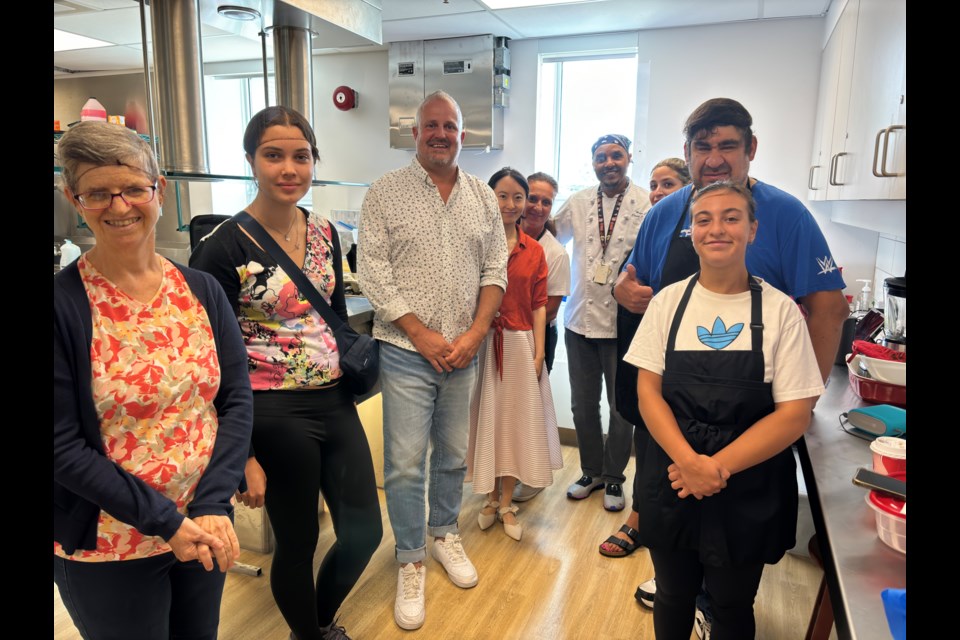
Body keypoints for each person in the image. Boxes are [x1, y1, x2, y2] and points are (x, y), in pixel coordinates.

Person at [614, 98, 849, 625]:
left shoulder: (784, 217)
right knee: (676, 580)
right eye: (703, 146)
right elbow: (634, 285)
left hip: (749, 438)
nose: (714, 157)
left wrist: (799, 400)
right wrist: (624, 290)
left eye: (727, 145)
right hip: (672, 441)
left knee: (730, 593)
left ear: (751, 151)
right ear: (687, 153)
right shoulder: (661, 214)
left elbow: (829, 309)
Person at [54, 122, 253, 639]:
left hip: (206, 526)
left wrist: (211, 504)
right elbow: (62, 448)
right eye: (98, 193)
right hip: (111, 543)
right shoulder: (62, 306)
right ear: (75, 200)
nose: (119, 207)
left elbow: (234, 401)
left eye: (133, 189)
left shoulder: (202, 290)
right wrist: (167, 522)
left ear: (159, 190)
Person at [190, 106, 382, 640]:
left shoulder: (322, 231)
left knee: (364, 531)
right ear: (252, 161)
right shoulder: (223, 247)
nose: (288, 168)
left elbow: (336, 317)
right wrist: (242, 456)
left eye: (301, 156)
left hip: (333, 400)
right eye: (273, 155)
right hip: (273, 413)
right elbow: (214, 362)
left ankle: (317, 620)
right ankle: (310, 633)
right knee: (297, 542)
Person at [625, 180, 823, 639]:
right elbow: (648, 394)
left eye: (731, 217)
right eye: (704, 219)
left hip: (746, 480)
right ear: (691, 232)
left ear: (753, 229)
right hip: (672, 473)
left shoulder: (780, 312)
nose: (717, 229)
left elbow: (794, 414)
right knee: (672, 594)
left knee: (732, 602)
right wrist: (689, 462)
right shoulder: (668, 304)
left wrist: (714, 468)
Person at [357, 91, 509, 630]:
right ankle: (410, 559)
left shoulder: (481, 197)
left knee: (449, 455)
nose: (441, 133)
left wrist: (474, 333)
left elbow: (496, 270)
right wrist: (421, 335)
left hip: (463, 352)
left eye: (450, 125)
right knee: (403, 463)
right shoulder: (384, 193)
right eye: (430, 126)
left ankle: (444, 534)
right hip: (405, 352)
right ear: (414, 133)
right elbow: (373, 273)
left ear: (462, 134)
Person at [599, 158, 692, 558]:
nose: (656, 192)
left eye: (667, 184)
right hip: (651, 352)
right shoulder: (655, 227)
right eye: (653, 185)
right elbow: (628, 277)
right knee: (650, 437)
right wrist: (623, 288)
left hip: (698, 356)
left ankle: (677, 534)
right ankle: (639, 517)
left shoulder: (704, 229)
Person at [554, 134, 651, 511]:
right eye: (600, 157)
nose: (608, 162)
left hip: (622, 324)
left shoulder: (646, 202)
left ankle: (614, 478)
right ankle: (590, 471)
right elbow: (549, 237)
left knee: (620, 407)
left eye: (616, 156)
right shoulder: (578, 202)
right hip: (579, 319)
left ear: (628, 158)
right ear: (592, 163)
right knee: (582, 404)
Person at [466, 168, 563, 541]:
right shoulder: (475, 244)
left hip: (520, 344)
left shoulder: (535, 250)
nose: (510, 204)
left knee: (513, 424)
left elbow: (540, 305)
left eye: (517, 197)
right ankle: (488, 498)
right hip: (482, 343)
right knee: (485, 420)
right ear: (489, 198)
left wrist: (538, 353)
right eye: (502, 196)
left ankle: (506, 501)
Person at [512, 171, 570, 505]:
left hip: (535, 339)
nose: (537, 206)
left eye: (546, 201)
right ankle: (503, 471)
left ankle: (531, 476)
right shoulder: (501, 237)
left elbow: (548, 310)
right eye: (531, 197)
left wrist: (507, 321)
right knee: (505, 408)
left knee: (531, 410)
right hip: (501, 338)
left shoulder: (555, 253)